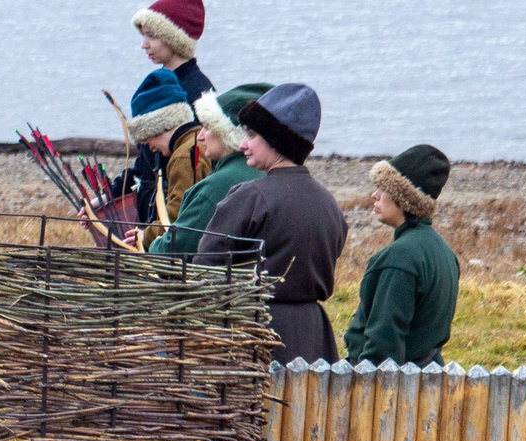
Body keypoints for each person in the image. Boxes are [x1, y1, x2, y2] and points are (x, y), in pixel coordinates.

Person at [197, 84, 348, 364]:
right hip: (315, 340)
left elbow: (204, 271)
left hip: (256, 336)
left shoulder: (250, 197)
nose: (242, 144)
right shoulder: (330, 204)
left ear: (276, 141)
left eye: (251, 135)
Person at [344, 145, 460, 365]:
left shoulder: (399, 258)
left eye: (383, 188)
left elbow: (383, 344)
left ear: (403, 198)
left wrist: (366, 391)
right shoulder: (444, 250)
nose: (374, 195)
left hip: (393, 389)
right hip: (429, 380)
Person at [151, 82, 270, 255]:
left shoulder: (218, 185)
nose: (200, 136)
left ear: (226, 133)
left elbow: (176, 248)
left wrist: (155, 243)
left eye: (206, 127)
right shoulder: (263, 170)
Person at [120, 68, 204, 229]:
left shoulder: (183, 156)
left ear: (159, 126)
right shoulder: (194, 140)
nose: (149, 147)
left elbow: (175, 219)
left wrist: (146, 236)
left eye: (147, 137)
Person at [135, 0, 216, 117]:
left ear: (175, 40)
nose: (144, 44)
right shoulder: (160, 81)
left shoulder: (200, 93)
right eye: (144, 35)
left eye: (151, 36)